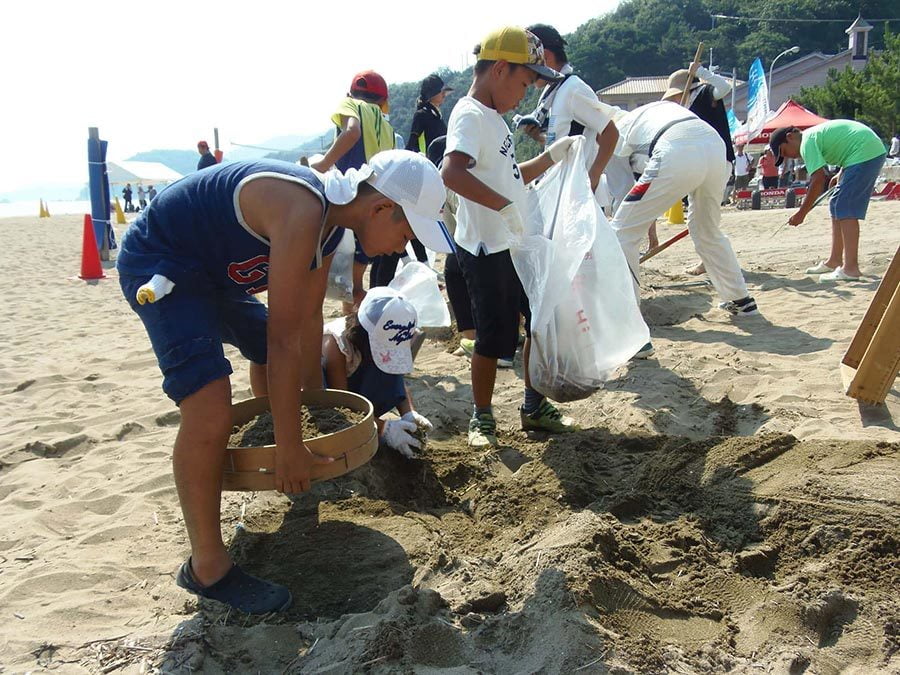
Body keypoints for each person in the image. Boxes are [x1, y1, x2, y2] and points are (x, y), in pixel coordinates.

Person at [115, 151, 454, 614]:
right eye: (406, 232)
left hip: (210, 276)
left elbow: (308, 318)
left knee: (277, 354)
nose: (401, 247)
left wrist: (316, 410)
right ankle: (207, 568)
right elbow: (282, 338)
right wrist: (291, 447)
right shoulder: (304, 210)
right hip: (162, 264)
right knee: (209, 405)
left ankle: (282, 437)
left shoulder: (331, 223)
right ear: (379, 208)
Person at [441, 25, 580, 448]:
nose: (525, 94)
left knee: (538, 320)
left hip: (514, 243)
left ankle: (533, 406)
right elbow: (452, 171)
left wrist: (551, 157)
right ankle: (482, 417)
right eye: (524, 83)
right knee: (494, 337)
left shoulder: (495, 121)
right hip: (485, 247)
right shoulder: (469, 114)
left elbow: (512, 176)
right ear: (499, 69)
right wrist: (502, 207)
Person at [610, 101, 757, 358]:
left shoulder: (613, 133)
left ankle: (631, 331)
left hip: (676, 150)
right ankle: (740, 300)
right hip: (715, 148)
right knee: (706, 229)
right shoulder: (650, 112)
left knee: (621, 233)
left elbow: (624, 190)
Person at [312, 70, 396, 311]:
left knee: (345, 283)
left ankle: (357, 323)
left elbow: (352, 132)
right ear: (383, 101)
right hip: (375, 205)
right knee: (356, 275)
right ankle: (358, 320)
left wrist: (323, 165)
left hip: (348, 200)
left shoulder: (351, 104)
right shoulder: (387, 126)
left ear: (351, 93)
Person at [322, 287, 433, 458]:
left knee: (387, 368)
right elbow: (342, 405)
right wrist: (385, 428)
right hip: (334, 401)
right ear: (365, 334)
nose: (387, 355)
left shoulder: (397, 333)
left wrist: (409, 413)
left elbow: (397, 377)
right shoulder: (336, 345)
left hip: (362, 389)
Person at [771, 121, 887, 281]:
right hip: (865, 150)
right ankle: (835, 261)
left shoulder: (806, 143)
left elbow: (817, 180)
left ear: (790, 137)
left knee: (845, 207)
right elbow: (845, 142)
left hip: (865, 153)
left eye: (784, 152)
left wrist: (801, 213)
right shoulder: (812, 136)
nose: (787, 157)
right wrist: (841, 172)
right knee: (836, 202)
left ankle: (851, 269)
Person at [521, 24, 620, 203]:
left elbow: (610, 133)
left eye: (528, 63)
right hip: (560, 191)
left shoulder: (573, 89)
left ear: (546, 56)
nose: (527, 72)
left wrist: (593, 178)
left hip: (577, 195)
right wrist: (540, 137)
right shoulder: (553, 89)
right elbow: (566, 138)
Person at [406, 73, 453, 155]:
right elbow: (412, 143)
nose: (444, 94)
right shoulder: (421, 115)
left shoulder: (437, 116)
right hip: (426, 163)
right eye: (441, 91)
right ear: (431, 95)